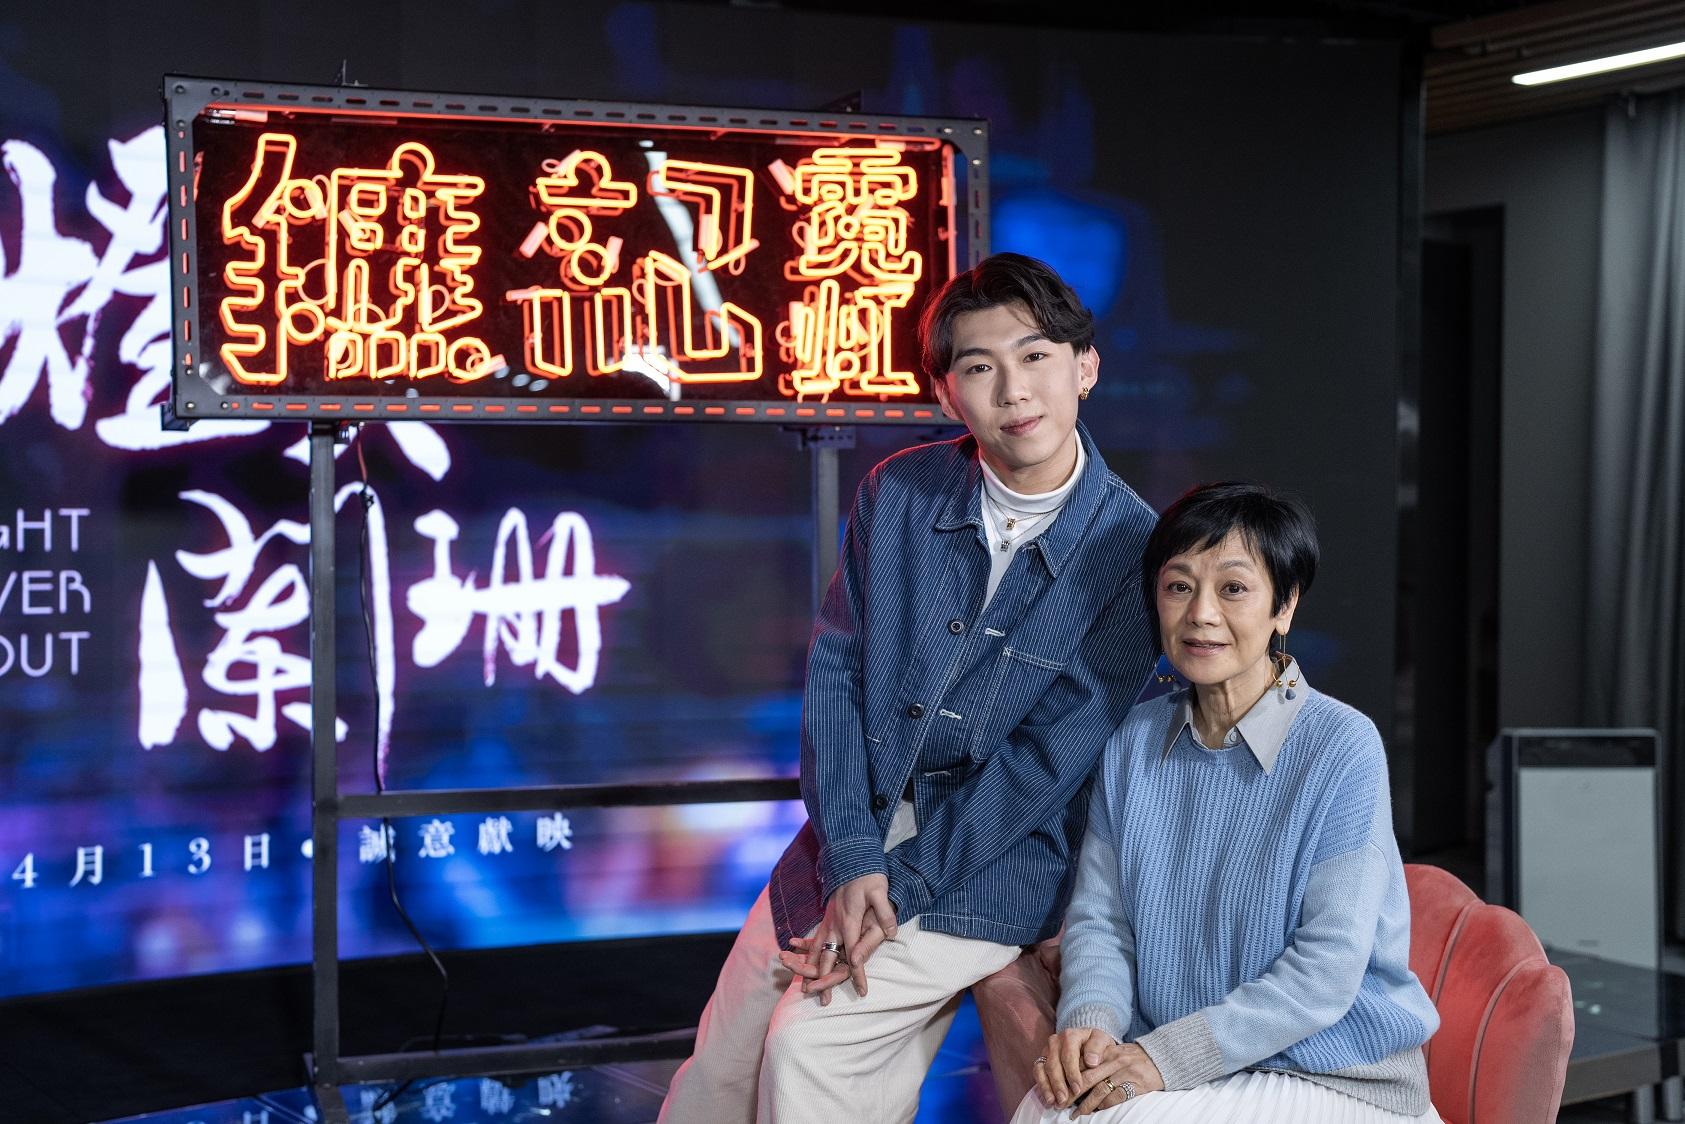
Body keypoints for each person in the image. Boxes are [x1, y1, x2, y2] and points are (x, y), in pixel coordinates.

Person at [658, 252, 1159, 1124]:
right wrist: (854, 856)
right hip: (858, 827)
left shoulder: (1130, 549)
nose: (1013, 390)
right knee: (722, 1062)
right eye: (979, 367)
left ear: (1085, 367)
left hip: (997, 857)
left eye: (1035, 356)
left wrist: (898, 885)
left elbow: (1044, 765)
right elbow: (836, 677)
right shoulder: (898, 492)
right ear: (945, 394)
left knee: (809, 1047)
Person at [1015, 483, 1443, 1123]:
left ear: (1284, 606)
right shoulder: (1132, 741)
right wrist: (1091, 1027)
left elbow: (1326, 969)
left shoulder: (1341, 746)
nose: (1201, 614)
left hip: (1331, 1070)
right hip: (1174, 1059)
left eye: (1234, 588)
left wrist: (1164, 1058)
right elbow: (1103, 922)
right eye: (1178, 586)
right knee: (1051, 1109)